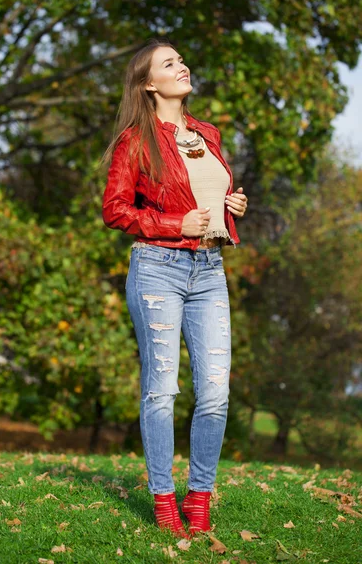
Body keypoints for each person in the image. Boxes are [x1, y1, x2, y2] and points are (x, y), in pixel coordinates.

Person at [102, 38, 248, 540]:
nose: (182, 66)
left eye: (182, 59)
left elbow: (205, 195)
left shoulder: (207, 133)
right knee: (162, 391)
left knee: (215, 393)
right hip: (158, 269)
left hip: (209, 270)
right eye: (169, 63)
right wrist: (173, 223)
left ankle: (199, 496)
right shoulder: (135, 140)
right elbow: (115, 210)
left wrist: (231, 206)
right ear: (148, 83)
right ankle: (164, 498)